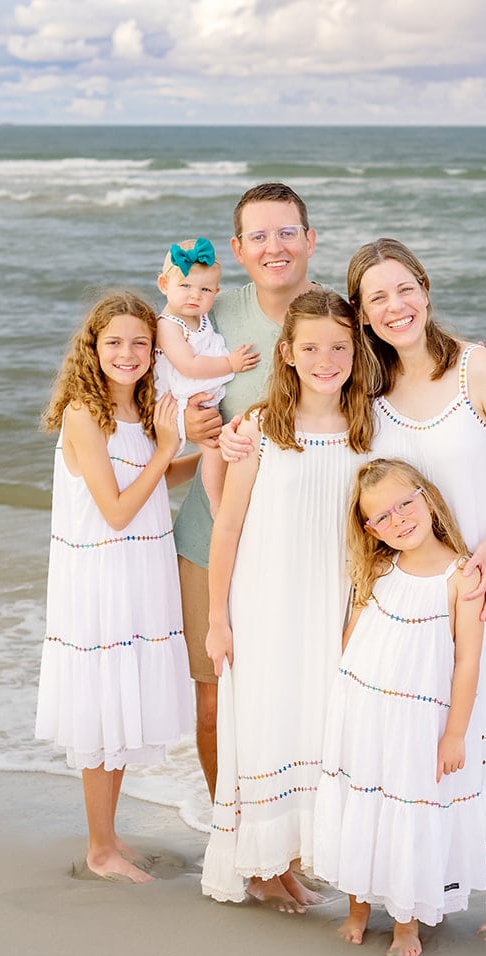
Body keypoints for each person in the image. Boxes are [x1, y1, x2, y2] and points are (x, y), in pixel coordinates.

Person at [347, 237, 486, 943]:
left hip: (484, 578)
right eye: (377, 297)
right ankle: (421, 877)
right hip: (408, 595)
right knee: (425, 733)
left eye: (404, 288)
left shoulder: (477, 369)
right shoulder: (369, 392)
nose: (395, 306)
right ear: (362, 313)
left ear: (426, 288)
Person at [200, 289, 377, 911]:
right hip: (265, 602)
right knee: (267, 723)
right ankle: (261, 866)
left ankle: (289, 860)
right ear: (288, 354)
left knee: (318, 726)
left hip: (332, 603)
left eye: (338, 346)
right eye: (311, 348)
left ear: (356, 351)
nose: (326, 359)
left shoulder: (368, 431)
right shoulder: (260, 429)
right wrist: (217, 619)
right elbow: (227, 527)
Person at [35, 291, 199, 884]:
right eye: (114, 343)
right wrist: (167, 449)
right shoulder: (85, 412)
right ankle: (99, 849)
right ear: (93, 348)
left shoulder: (141, 409)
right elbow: (118, 509)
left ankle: (109, 835)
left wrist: (208, 456)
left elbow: (153, 477)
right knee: (104, 710)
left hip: (139, 572)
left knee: (123, 703)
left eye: (139, 343)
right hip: (103, 576)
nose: (127, 354)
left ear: (155, 351)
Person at [172, 183, 319, 801]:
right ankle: (234, 842)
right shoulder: (211, 314)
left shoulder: (341, 318)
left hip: (301, 548)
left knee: (294, 705)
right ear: (237, 248)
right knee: (215, 707)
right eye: (258, 235)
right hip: (210, 539)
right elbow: (145, 369)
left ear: (310, 241)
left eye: (287, 232)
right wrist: (186, 426)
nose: (274, 246)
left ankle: (287, 847)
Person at [313, 459, 486, 956]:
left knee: (407, 808)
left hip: (418, 720)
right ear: (369, 529)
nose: (398, 520)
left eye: (404, 504)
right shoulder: (377, 566)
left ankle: (407, 922)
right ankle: (357, 907)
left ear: (426, 496)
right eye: (382, 518)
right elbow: (354, 633)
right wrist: (344, 697)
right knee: (362, 803)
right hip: (364, 708)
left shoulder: (462, 575)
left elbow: (467, 661)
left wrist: (455, 733)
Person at [153, 238, 260, 513]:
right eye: (185, 286)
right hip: (181, 397)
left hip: (198, 394)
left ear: (216, 291)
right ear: (164, 285)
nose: (195, 295)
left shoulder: (200, 318)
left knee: (223, 446)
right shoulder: (168, 325)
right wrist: (230, 363)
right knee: (213, 450)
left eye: (205, 289)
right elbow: (189, 365)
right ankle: (218, 506)